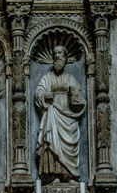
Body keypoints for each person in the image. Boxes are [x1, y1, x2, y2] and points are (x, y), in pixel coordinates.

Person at [35, 45, 85, 180]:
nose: (57, 56)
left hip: (68, 116)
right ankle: (53, 176)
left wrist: (77, 99)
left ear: (65, 57)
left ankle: (69, 176)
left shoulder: (70, 78)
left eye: (60, 53)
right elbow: (38, 92)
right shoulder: (47, 77)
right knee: (51, 142)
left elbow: (78, 96)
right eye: (55, 53)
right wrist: (45, 95)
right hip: (52, 113)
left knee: (68, 142)